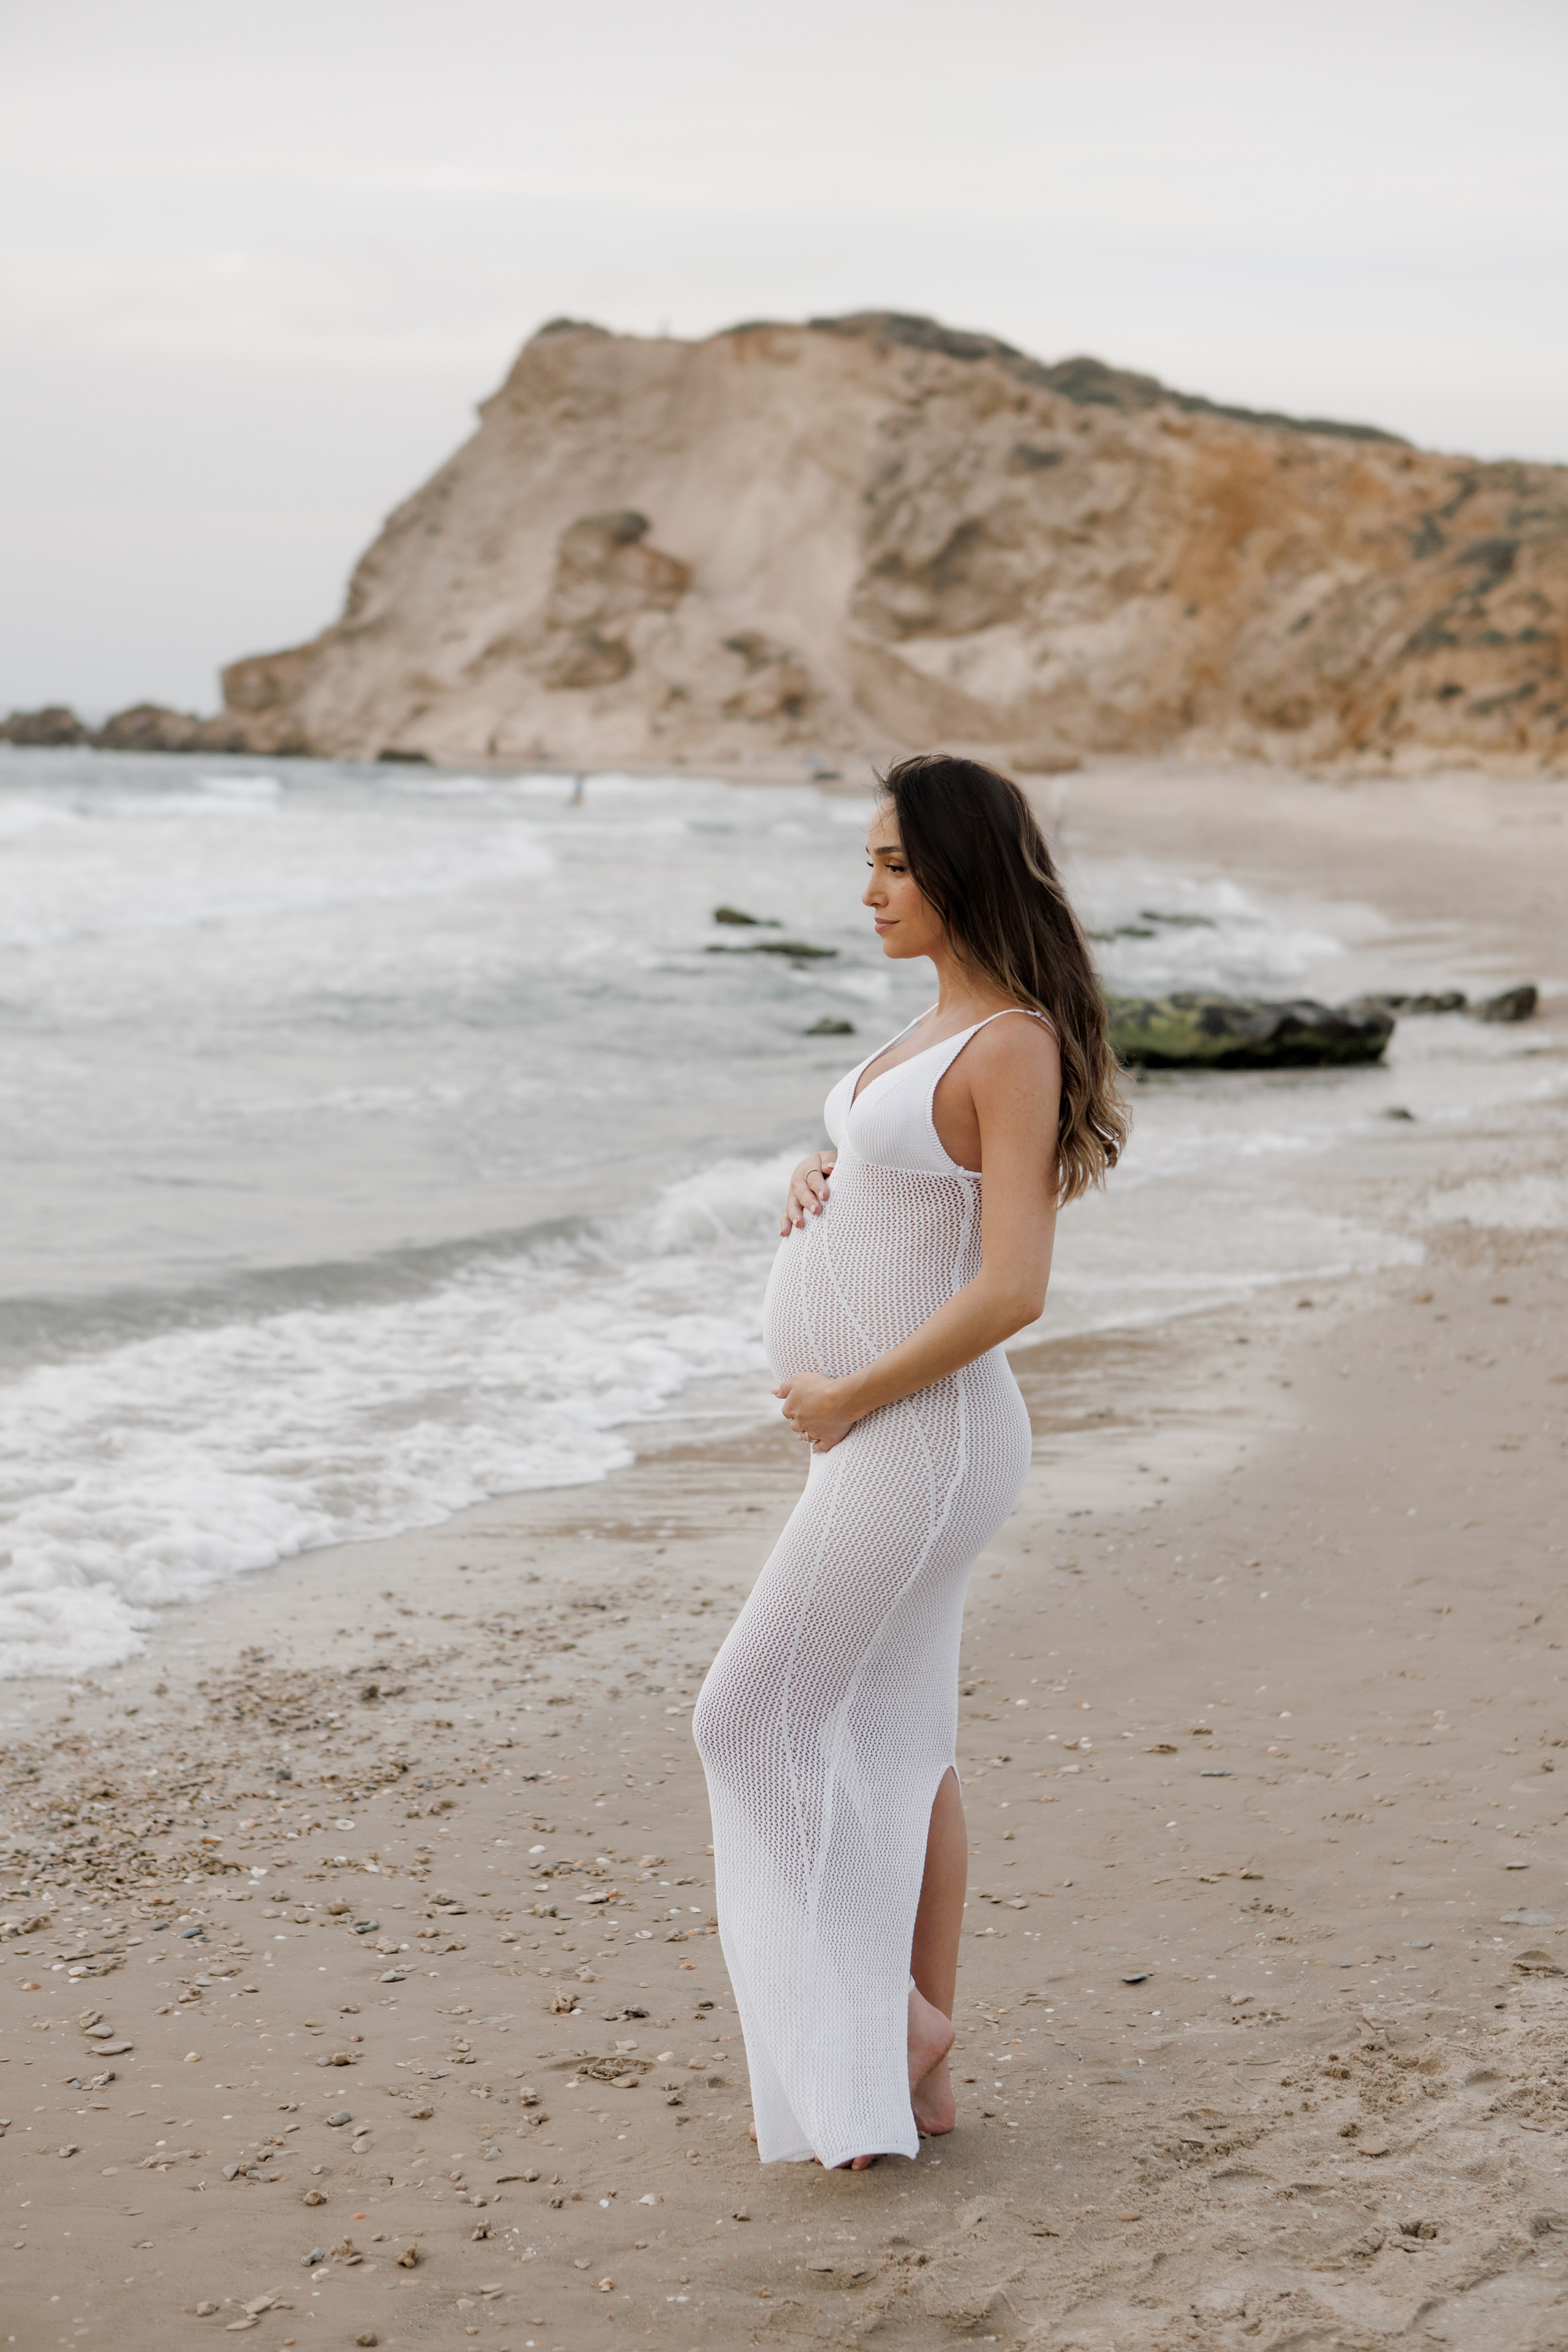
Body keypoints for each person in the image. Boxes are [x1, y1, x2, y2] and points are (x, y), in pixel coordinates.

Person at [692, 753, 1126, 2170]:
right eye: (865, 864)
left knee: (742, 1716)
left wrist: (848, 1398)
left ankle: (891, 2019)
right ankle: (918, 2081)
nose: (867, 889)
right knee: (898, 1749)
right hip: (887, 1429)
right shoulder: (932, 1032)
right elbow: (907, 1185)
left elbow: (1011, 1288)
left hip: (919, 1433)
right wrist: (824, 1174)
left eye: (891, 863)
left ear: (959, 868)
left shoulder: (1007, 1040)